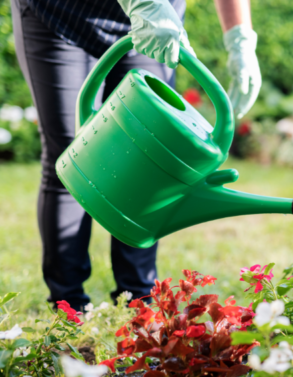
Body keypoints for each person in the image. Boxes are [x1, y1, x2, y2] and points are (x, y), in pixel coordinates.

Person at [10, 0, 261, 311]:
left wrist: (240, 40)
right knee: (72, 156)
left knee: (152, 160)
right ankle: (68, 305)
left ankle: (138, 301)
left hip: (157, 20)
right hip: (61, 14)